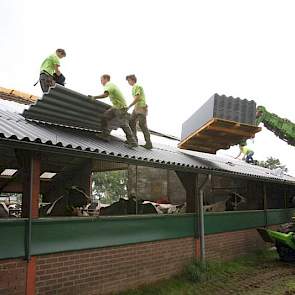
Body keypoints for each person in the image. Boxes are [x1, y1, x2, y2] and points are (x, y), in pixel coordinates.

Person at [89, 74, 138, 148]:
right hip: (116, 107)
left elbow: (105, 95)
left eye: (101, 80)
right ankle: (105, 135)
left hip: (121, 108)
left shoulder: (109, 84)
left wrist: (94, 97)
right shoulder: (111, 85)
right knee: (105, 117)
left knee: (123, 124)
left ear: (105, 79)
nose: (101, 82)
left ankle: (133, 142)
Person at [126, 75, 153, 149]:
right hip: (137, 108)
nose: (128, 82)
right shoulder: (134, 88)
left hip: (141, 108)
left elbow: (137, 98)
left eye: (128, 80)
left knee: (142, 125)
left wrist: (129, 106)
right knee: (131, 122)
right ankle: (134, 140)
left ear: (132, 80)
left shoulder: (136, 86)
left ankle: (148, 143)